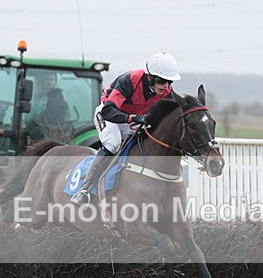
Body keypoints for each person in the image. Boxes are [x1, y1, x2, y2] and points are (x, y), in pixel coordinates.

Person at [70, 52, 181, 204]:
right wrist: (132, 118)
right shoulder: (129, 81)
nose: (166, 86)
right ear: (149, 77)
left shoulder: (166, 92)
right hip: (109, 114)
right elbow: (108, 111)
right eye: (161, 81)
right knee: (112, 143)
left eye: (169, 82)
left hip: (131, 118)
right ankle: (84, 190)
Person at [27, 72, 69, 140]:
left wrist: (30, 122)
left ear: (55, 82)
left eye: (51, 79)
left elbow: (49, 115)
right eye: (47, 79)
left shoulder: (56, 97)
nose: (49, 82)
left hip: (50, 131)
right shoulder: (44, 95)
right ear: (43, 81)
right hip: (42, 127)